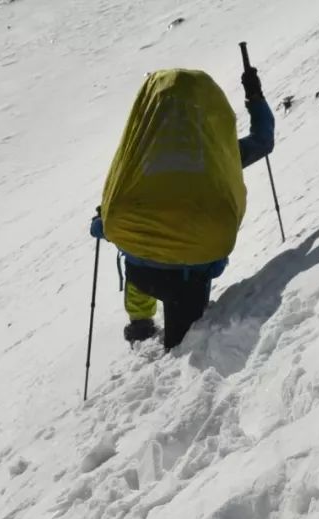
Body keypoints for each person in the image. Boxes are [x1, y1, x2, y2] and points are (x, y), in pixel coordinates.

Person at [90, 65, 274, 349]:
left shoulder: (142, 157)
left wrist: (102, 224)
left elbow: (112, 217)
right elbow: (263, 141)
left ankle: (140, 324)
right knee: (183, 345)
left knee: (138, 253)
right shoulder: (216, 156)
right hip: (188, 277)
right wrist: (255, 97)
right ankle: (176, 351)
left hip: (143, 274)